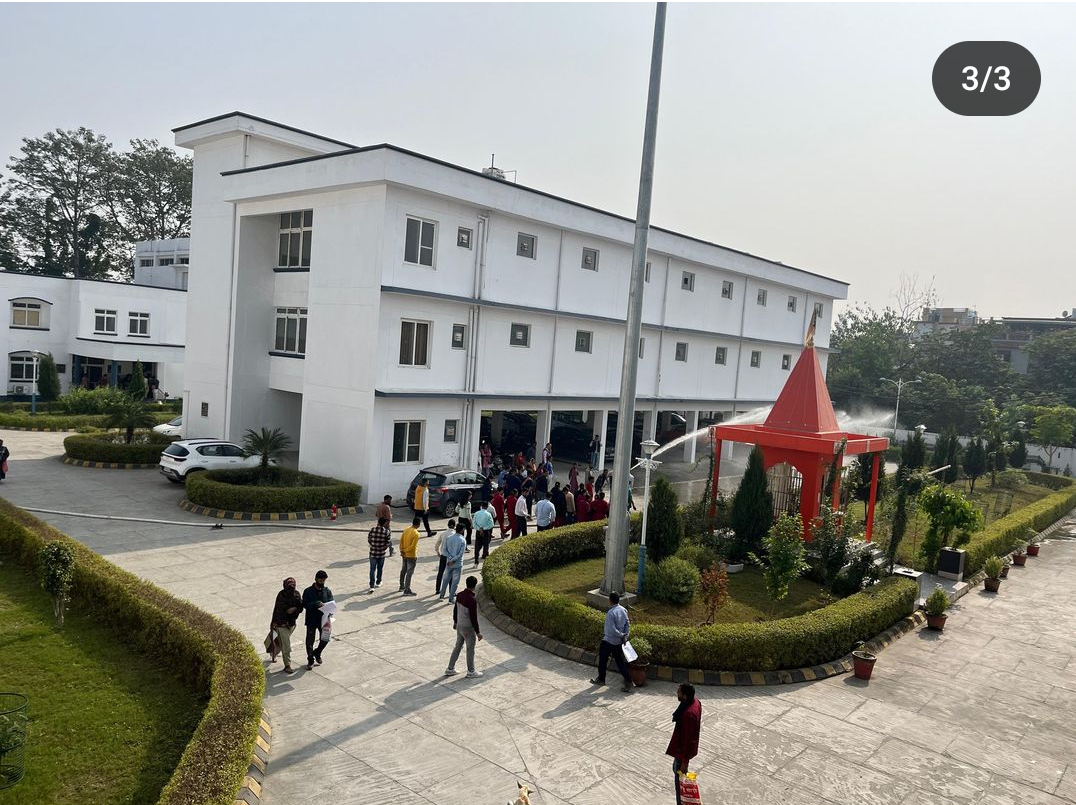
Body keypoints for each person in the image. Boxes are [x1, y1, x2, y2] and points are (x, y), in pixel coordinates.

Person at [667, 684, 702, 805]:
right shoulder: (695, 702)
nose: (677, 693)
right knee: (675, 771)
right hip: (681, 749)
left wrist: (684, 762)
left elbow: (688, 740)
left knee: (680, 784)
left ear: (685, 696)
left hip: (682, 753)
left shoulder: (688, 715)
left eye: (679, 692)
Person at [590, 592, 632, 693]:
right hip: (618, 642)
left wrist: (621, 635)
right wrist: (625, 635)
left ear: (610, 600)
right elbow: (627, 624)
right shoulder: (624, 610)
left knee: (603, 660)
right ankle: (628, 680)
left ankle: (601, 679)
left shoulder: (611, 613)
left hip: (608, 641)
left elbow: (612, 630)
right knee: (620, 662)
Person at [444, 575, 483, 678]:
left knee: (458, 646)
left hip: (459, 625)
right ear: (474, 586)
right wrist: (478, 632)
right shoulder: (472, 600)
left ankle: (450, 669)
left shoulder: (460, 595)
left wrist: (455, 622)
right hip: (468, 628)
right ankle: (471, 671)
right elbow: (473, 618)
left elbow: (455, 610)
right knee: (470, 649)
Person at [270, 577, 302, 673]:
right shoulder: (281, 595)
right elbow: (278, 609)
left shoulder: (297, 594)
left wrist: (294, 609)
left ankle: (273, 652)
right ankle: (287, 665)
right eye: (289, 586)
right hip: (281, 624)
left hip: (292, 624)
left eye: (293, 585)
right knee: (286, 645)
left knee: (282, 642)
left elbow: (300, 607)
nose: (291, 587)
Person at [302, 570, 334, 670]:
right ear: (316, 579)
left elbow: (332, 603)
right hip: (311, 619)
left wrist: (330, 611)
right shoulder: (308, 591)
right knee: (309, 641)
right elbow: (305, 604)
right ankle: (310, 660)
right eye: (320, 580)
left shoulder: (327, 591)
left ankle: (317, 652)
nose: (322, 582)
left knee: (325, 639)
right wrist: (316, 604)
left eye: (324, 580)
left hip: (324, 620)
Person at [439, 522, 467, 602]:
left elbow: (444, 550)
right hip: (457, 564)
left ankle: (441, 595)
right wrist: (453, 560)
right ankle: (451, 598)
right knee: (455, 582)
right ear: (462, 530)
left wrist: (450, 559)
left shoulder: (449, 538)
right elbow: (460, 554)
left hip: (448, 562)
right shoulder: (462, 540)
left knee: (445, 579)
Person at [367, 516, 392, 593]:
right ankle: (378, 582)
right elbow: (388, 543)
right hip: (381, 554)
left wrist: (373, 545)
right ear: (384, 523)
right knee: (380, 568)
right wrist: (383, 548)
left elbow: (369, 539)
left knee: (372, 569)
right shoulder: (387, 532)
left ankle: (371, 586)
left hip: (373, 553)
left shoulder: (372, 529)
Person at [434, 518, 456, 592]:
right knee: (451, 574)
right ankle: (451, 590)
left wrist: (438, 552)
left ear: (447, 525)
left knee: (440, 573)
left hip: (443, 556)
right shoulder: (455, 534)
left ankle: (437, 589)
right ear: (454, 526)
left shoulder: (443, 533)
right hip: (451, 557)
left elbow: (437, 544)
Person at [399, 517, 420, 595]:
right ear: (418, 524)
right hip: (411, 555)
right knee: (409, 572)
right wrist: (405, 551)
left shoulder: (406, 529)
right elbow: (412, 546)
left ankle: (401, 586)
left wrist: (402, 550)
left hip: (404, 554)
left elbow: (401, 540)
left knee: (403, 570)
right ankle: (407, 589)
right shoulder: (416, 533)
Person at [472, 501, 495, 566]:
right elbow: (491, 524)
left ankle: (476, 561)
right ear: (487, 507)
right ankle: (484, 556)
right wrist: (484, 528)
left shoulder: (476, 513)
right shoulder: (488, 514)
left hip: (478, 531)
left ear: (481, 506)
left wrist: (479, 529)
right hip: (486, 531)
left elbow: (474, 523)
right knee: (486, 545)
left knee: (477, 545)